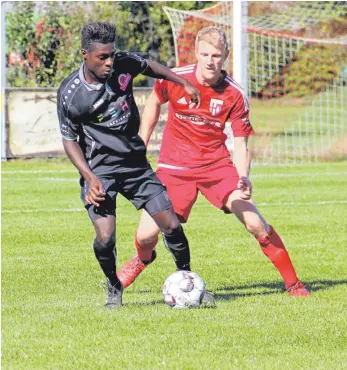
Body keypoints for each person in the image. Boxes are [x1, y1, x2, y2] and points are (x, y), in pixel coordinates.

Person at [118, 26, 310, 297]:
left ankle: (294, 283)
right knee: (147, 235)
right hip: (174, 168)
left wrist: (243, 177)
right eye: (205, 54)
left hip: (216, 167)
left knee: (256, 223)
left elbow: (242, 143)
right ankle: (142, 259)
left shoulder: (234, 93)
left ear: (226, 56)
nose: (210, 61)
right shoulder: (175, 79)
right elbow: (153, 103)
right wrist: (141, 144)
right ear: (196, 53)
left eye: (217, 55)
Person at [57, 22, 203, 308]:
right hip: (100, 170)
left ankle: (186, 279)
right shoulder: (71, 93)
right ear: (85, 54)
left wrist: (182, 82)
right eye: (102, 57)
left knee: (171, 224)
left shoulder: (122, 64)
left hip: (135, 165)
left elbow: (148, 66)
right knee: (105, 237)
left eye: (112, 54)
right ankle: (114, 285)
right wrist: (88, 176)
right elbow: (69, 139)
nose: (110, 62)